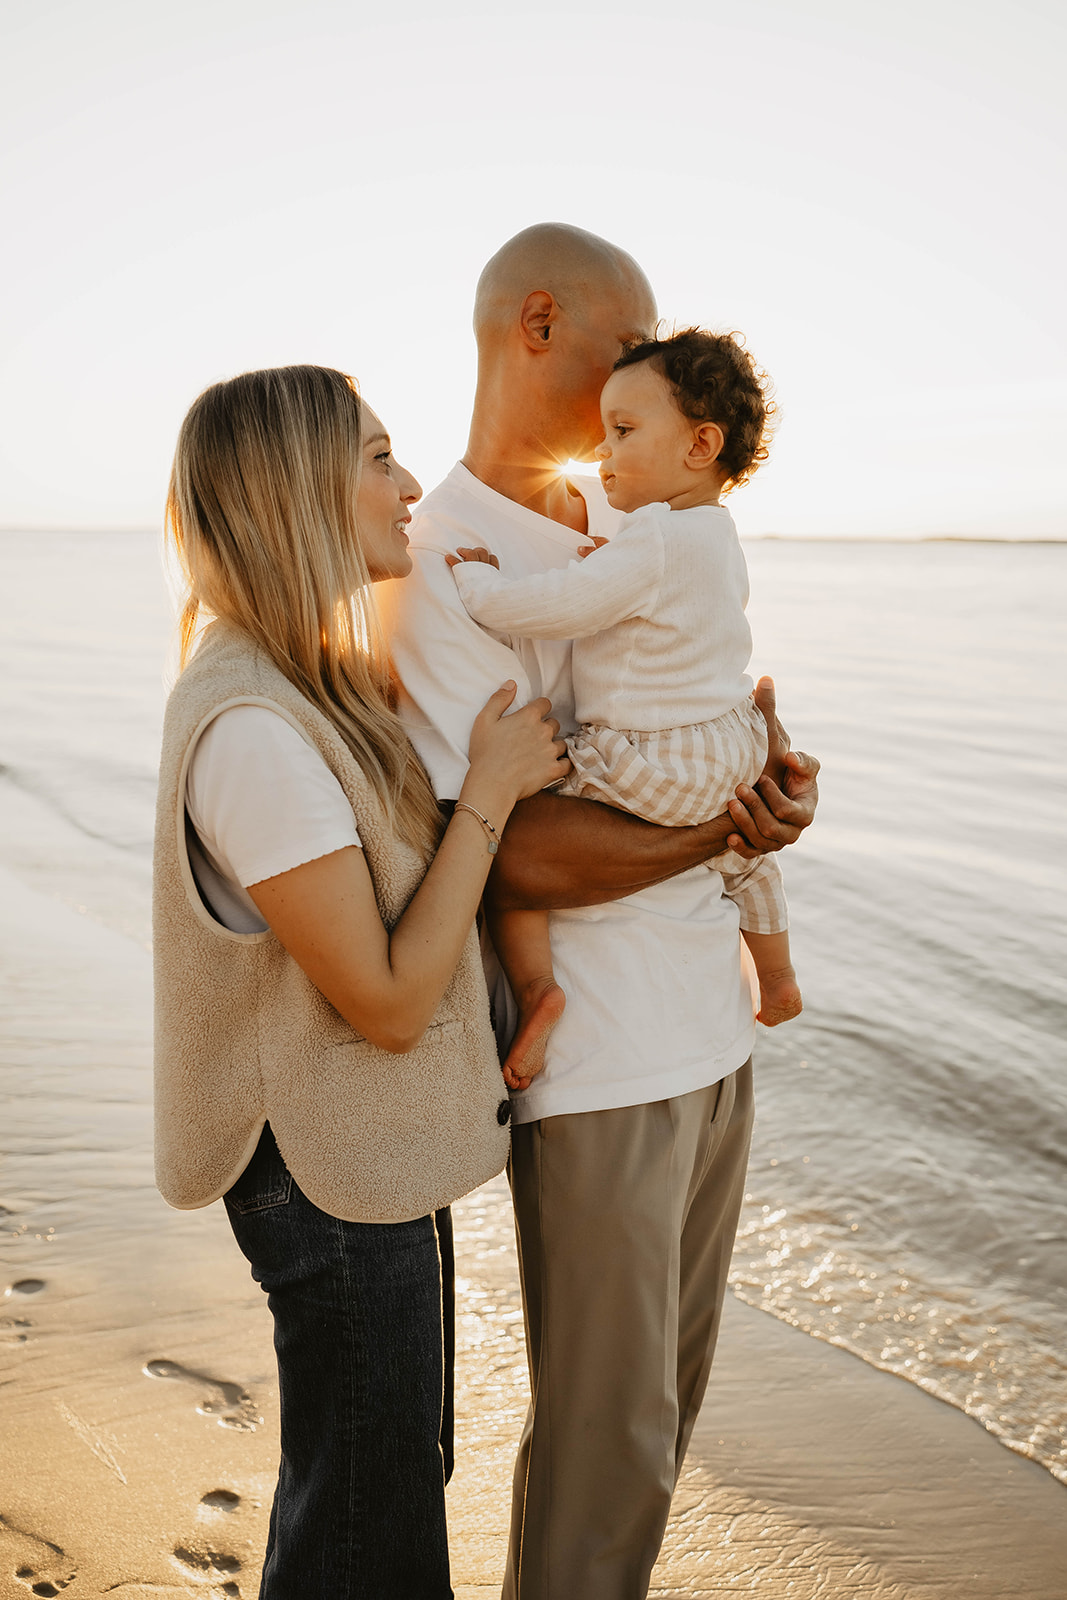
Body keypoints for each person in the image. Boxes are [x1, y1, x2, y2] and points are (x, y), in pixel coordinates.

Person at [378, 223, 820, 1599]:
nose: (644, 363)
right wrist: (720, 828)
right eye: (624, 340)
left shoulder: (628, 522)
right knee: (604, 1449)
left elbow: (701, 719)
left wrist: (767, 795)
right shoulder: (443, 563)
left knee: (659, 1430)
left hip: (711, 1037)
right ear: (538, 324)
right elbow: (514, 855)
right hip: (602, 1069)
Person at [152, 364, 567, 1599]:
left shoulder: (311, 683)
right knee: (364, 1519)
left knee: (376, 1482)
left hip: (358, 1162)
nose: (407, 488)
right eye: (379, 459)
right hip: (321, 1180)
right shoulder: (251, 732)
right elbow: (383, 1002)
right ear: (297, 491)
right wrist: (490, 791)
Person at [447, 326, 802, 1086]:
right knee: (746, 864)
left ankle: (539, 991)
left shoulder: (649, 538)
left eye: (623, 431)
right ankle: (774, 979)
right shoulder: (715, 535)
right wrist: (612, 566)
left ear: (699, 445)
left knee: (513, 813)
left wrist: (479, 586)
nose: (600, 450)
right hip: (726, 746)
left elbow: (563, 606)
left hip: (652, 756)